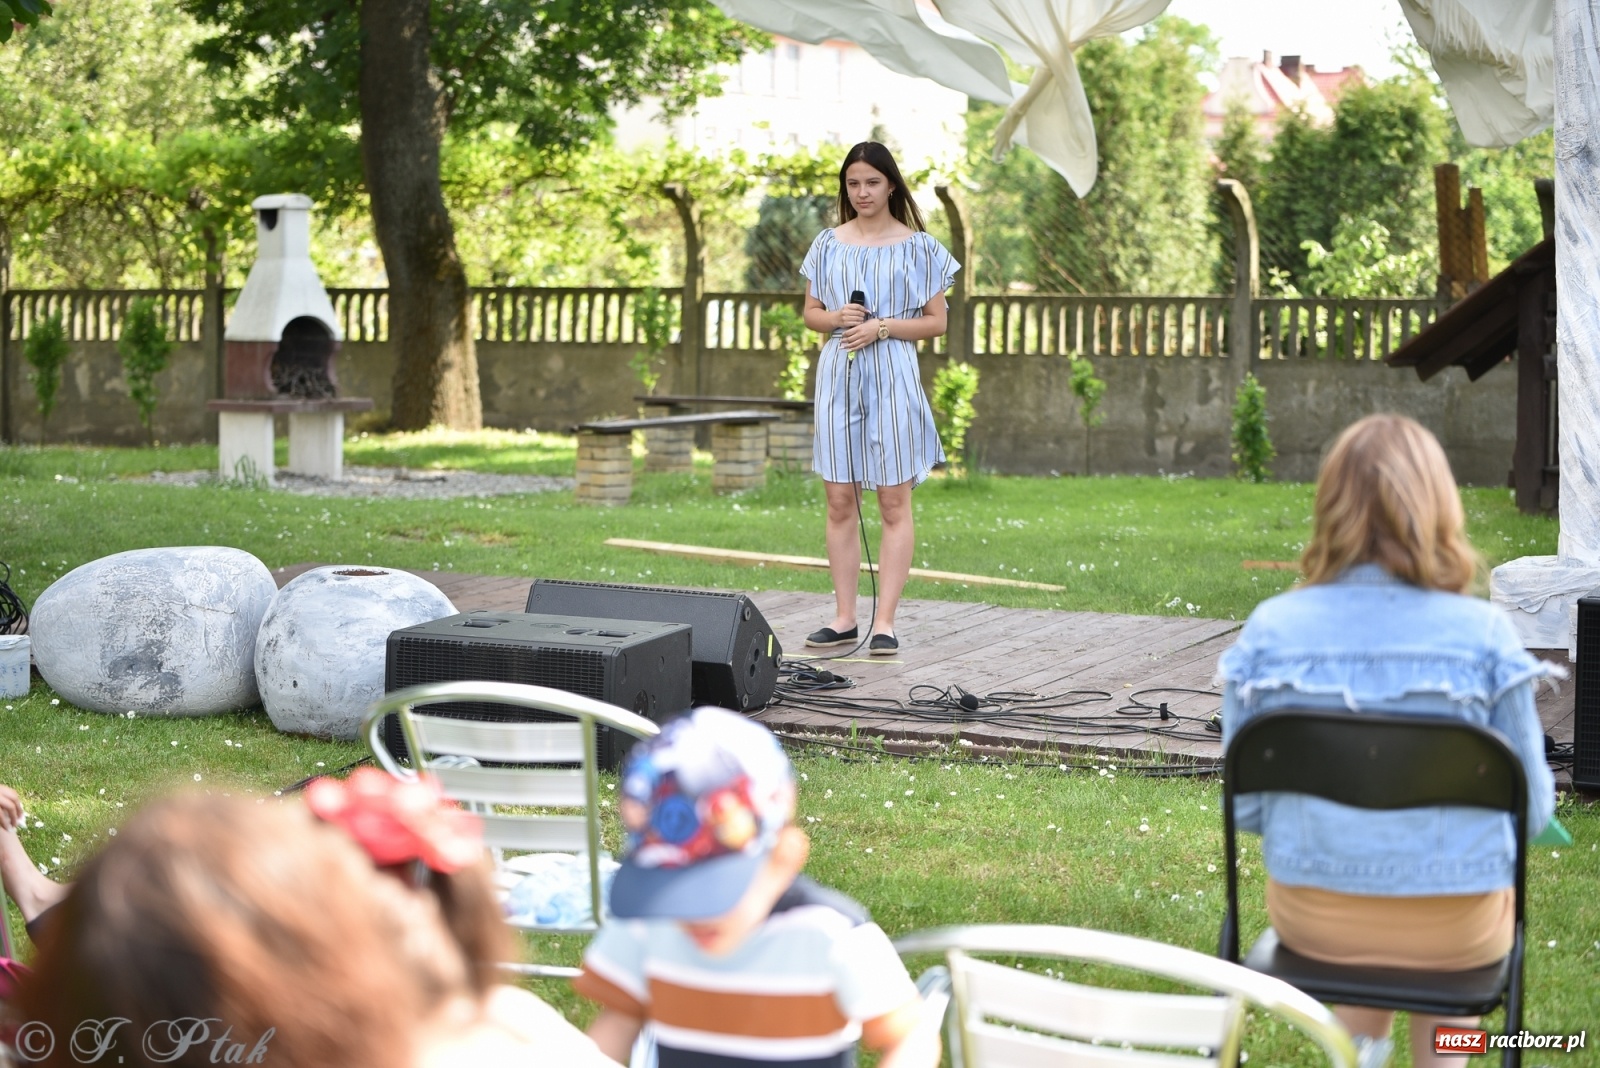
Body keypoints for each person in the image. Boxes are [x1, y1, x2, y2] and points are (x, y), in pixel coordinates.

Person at [1217, 414, 1557, 1068]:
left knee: (1362, 940)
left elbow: (1248, 811)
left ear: (1329, 507)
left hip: (1316, 918)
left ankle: (1360, 1053)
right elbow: (1533, 812)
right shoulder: (1486, 635)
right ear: (1439, 508)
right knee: (1442, 963)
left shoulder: (1270, 631)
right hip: (1457, 926)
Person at [574, 706, 937, 1068]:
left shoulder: (830, 934)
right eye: (669, 890)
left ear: (783, 859)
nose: (690, 914)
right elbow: (619, 1021)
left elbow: (911, 1035)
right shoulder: (649, 922)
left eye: (712, 892)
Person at [800, 141, 958, 657]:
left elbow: (937, 322)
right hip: (837, 375)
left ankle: (884, 622)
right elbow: (812, 314)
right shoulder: (827, 244)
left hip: (892, 375)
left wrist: (883, 328)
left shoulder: (919, 247)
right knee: (840, 498)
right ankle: (844, 618)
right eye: (853, 183)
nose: (862, 192)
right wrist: (836, 320)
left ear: (891, 184)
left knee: (893, 499)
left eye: (872, 182)